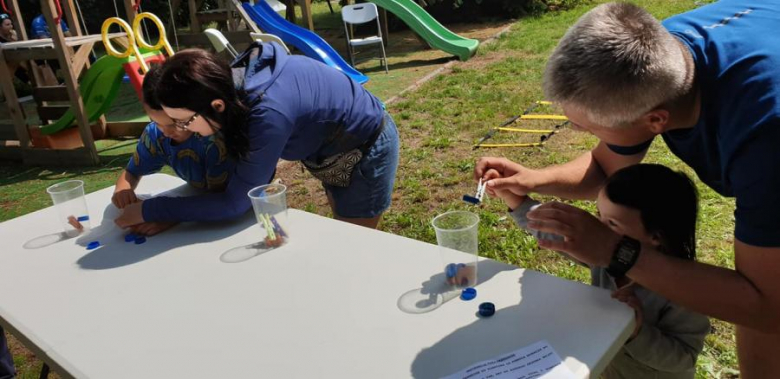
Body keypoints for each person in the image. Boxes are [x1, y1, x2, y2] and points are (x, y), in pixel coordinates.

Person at [475, 2, 780, 376]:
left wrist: (615, 251)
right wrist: (532, 179)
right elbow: (606, 166)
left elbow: (766, 307)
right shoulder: (649, 54)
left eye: (589, 127)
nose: (577, 132)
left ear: (656, 120)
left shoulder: (764, 141)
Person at [115, 43, 399, 229]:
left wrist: (153, 210)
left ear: (216, 106)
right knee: (343, 225)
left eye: (185, 121)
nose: (184, 130)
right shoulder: (233, 85)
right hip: (328, 149)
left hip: (363, 149)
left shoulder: (267, 114)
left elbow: (236, 202)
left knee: (353, 242)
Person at [484, 163, 709, 379]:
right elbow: (556, 231)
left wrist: (636, 331)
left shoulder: (685, 289)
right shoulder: (605, 256)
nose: (596, 229)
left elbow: (684, 357)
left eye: (611, 224)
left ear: (656, 237)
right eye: (597, 214)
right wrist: (513, 197)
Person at [112, 65, 235, 236]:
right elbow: (132, 171)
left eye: (174, 123)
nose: (166, 132)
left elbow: (222, 199)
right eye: (156, 122)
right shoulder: (155, 135)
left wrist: (168, 216)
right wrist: (123, 191)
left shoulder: (212, 139)